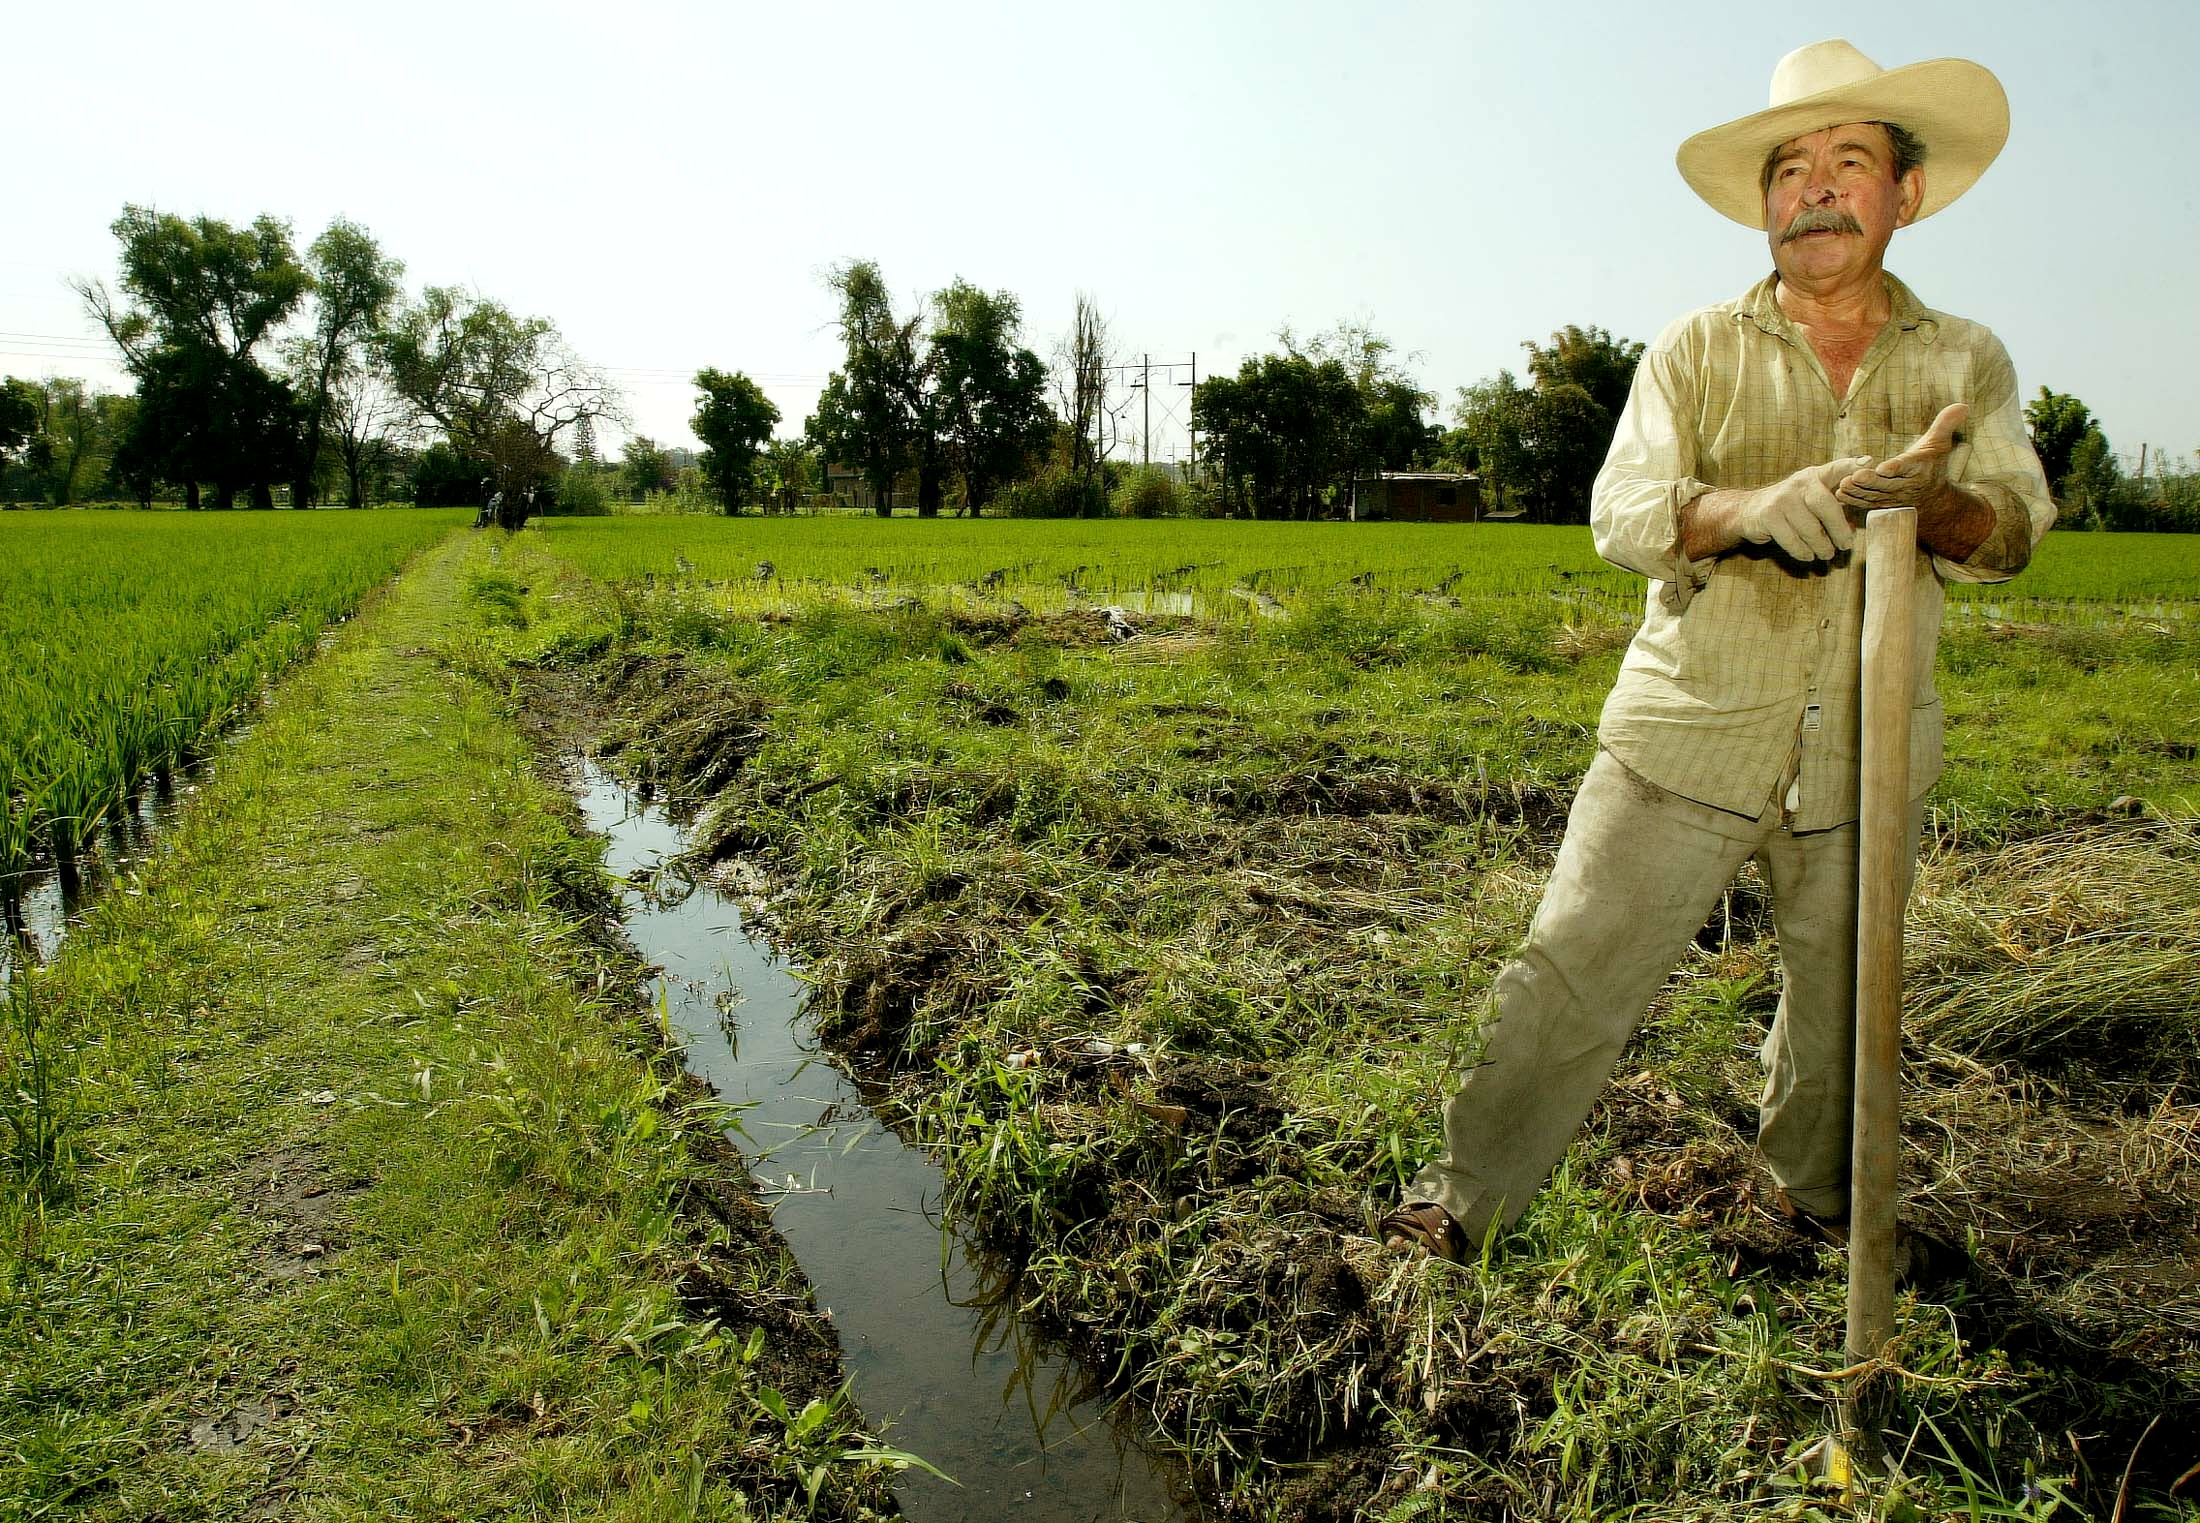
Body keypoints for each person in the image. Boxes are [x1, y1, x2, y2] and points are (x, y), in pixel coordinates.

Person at [1380, 39, 2056, 1261]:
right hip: (1686, 732)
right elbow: (1622, 509)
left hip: (1866, 746)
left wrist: (1927, 501)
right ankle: (1457, 1201)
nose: (1815, 189)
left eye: (1849, 162)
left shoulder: (1968, 361)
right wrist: (1743, 508)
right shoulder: (1694, 349)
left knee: (1844, 1007)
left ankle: (1808, 1195)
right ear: (1764, 205)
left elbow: (2013, 528)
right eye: (1789, 169)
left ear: (1903, 194)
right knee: (1571, 973)